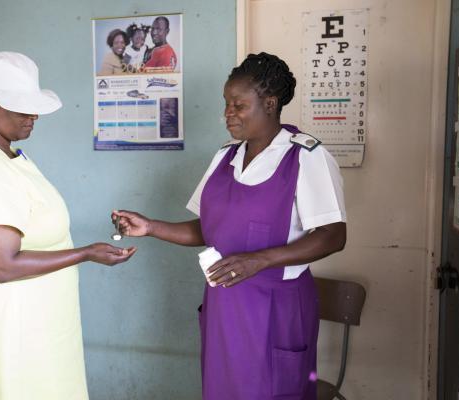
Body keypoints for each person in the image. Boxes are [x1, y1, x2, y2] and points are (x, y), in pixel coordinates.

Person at [112, 52, 346, 400]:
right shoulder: (225, 158)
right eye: (226, 104)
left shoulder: (305, 157)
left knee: (276, 390)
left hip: (276, 309)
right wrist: (150, 227)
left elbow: (333, 236)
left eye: (238, 105)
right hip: (225, 305)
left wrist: (259, 260)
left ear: (269, 103)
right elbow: (208, 230)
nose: (228, 113)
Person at [0, 51, 136, 400]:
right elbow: (1, 264)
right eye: (22, 107)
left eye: (34, 107)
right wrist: (86, 253)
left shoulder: (5, 154)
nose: (33, 116)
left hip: (31, 325)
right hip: (8, 329)